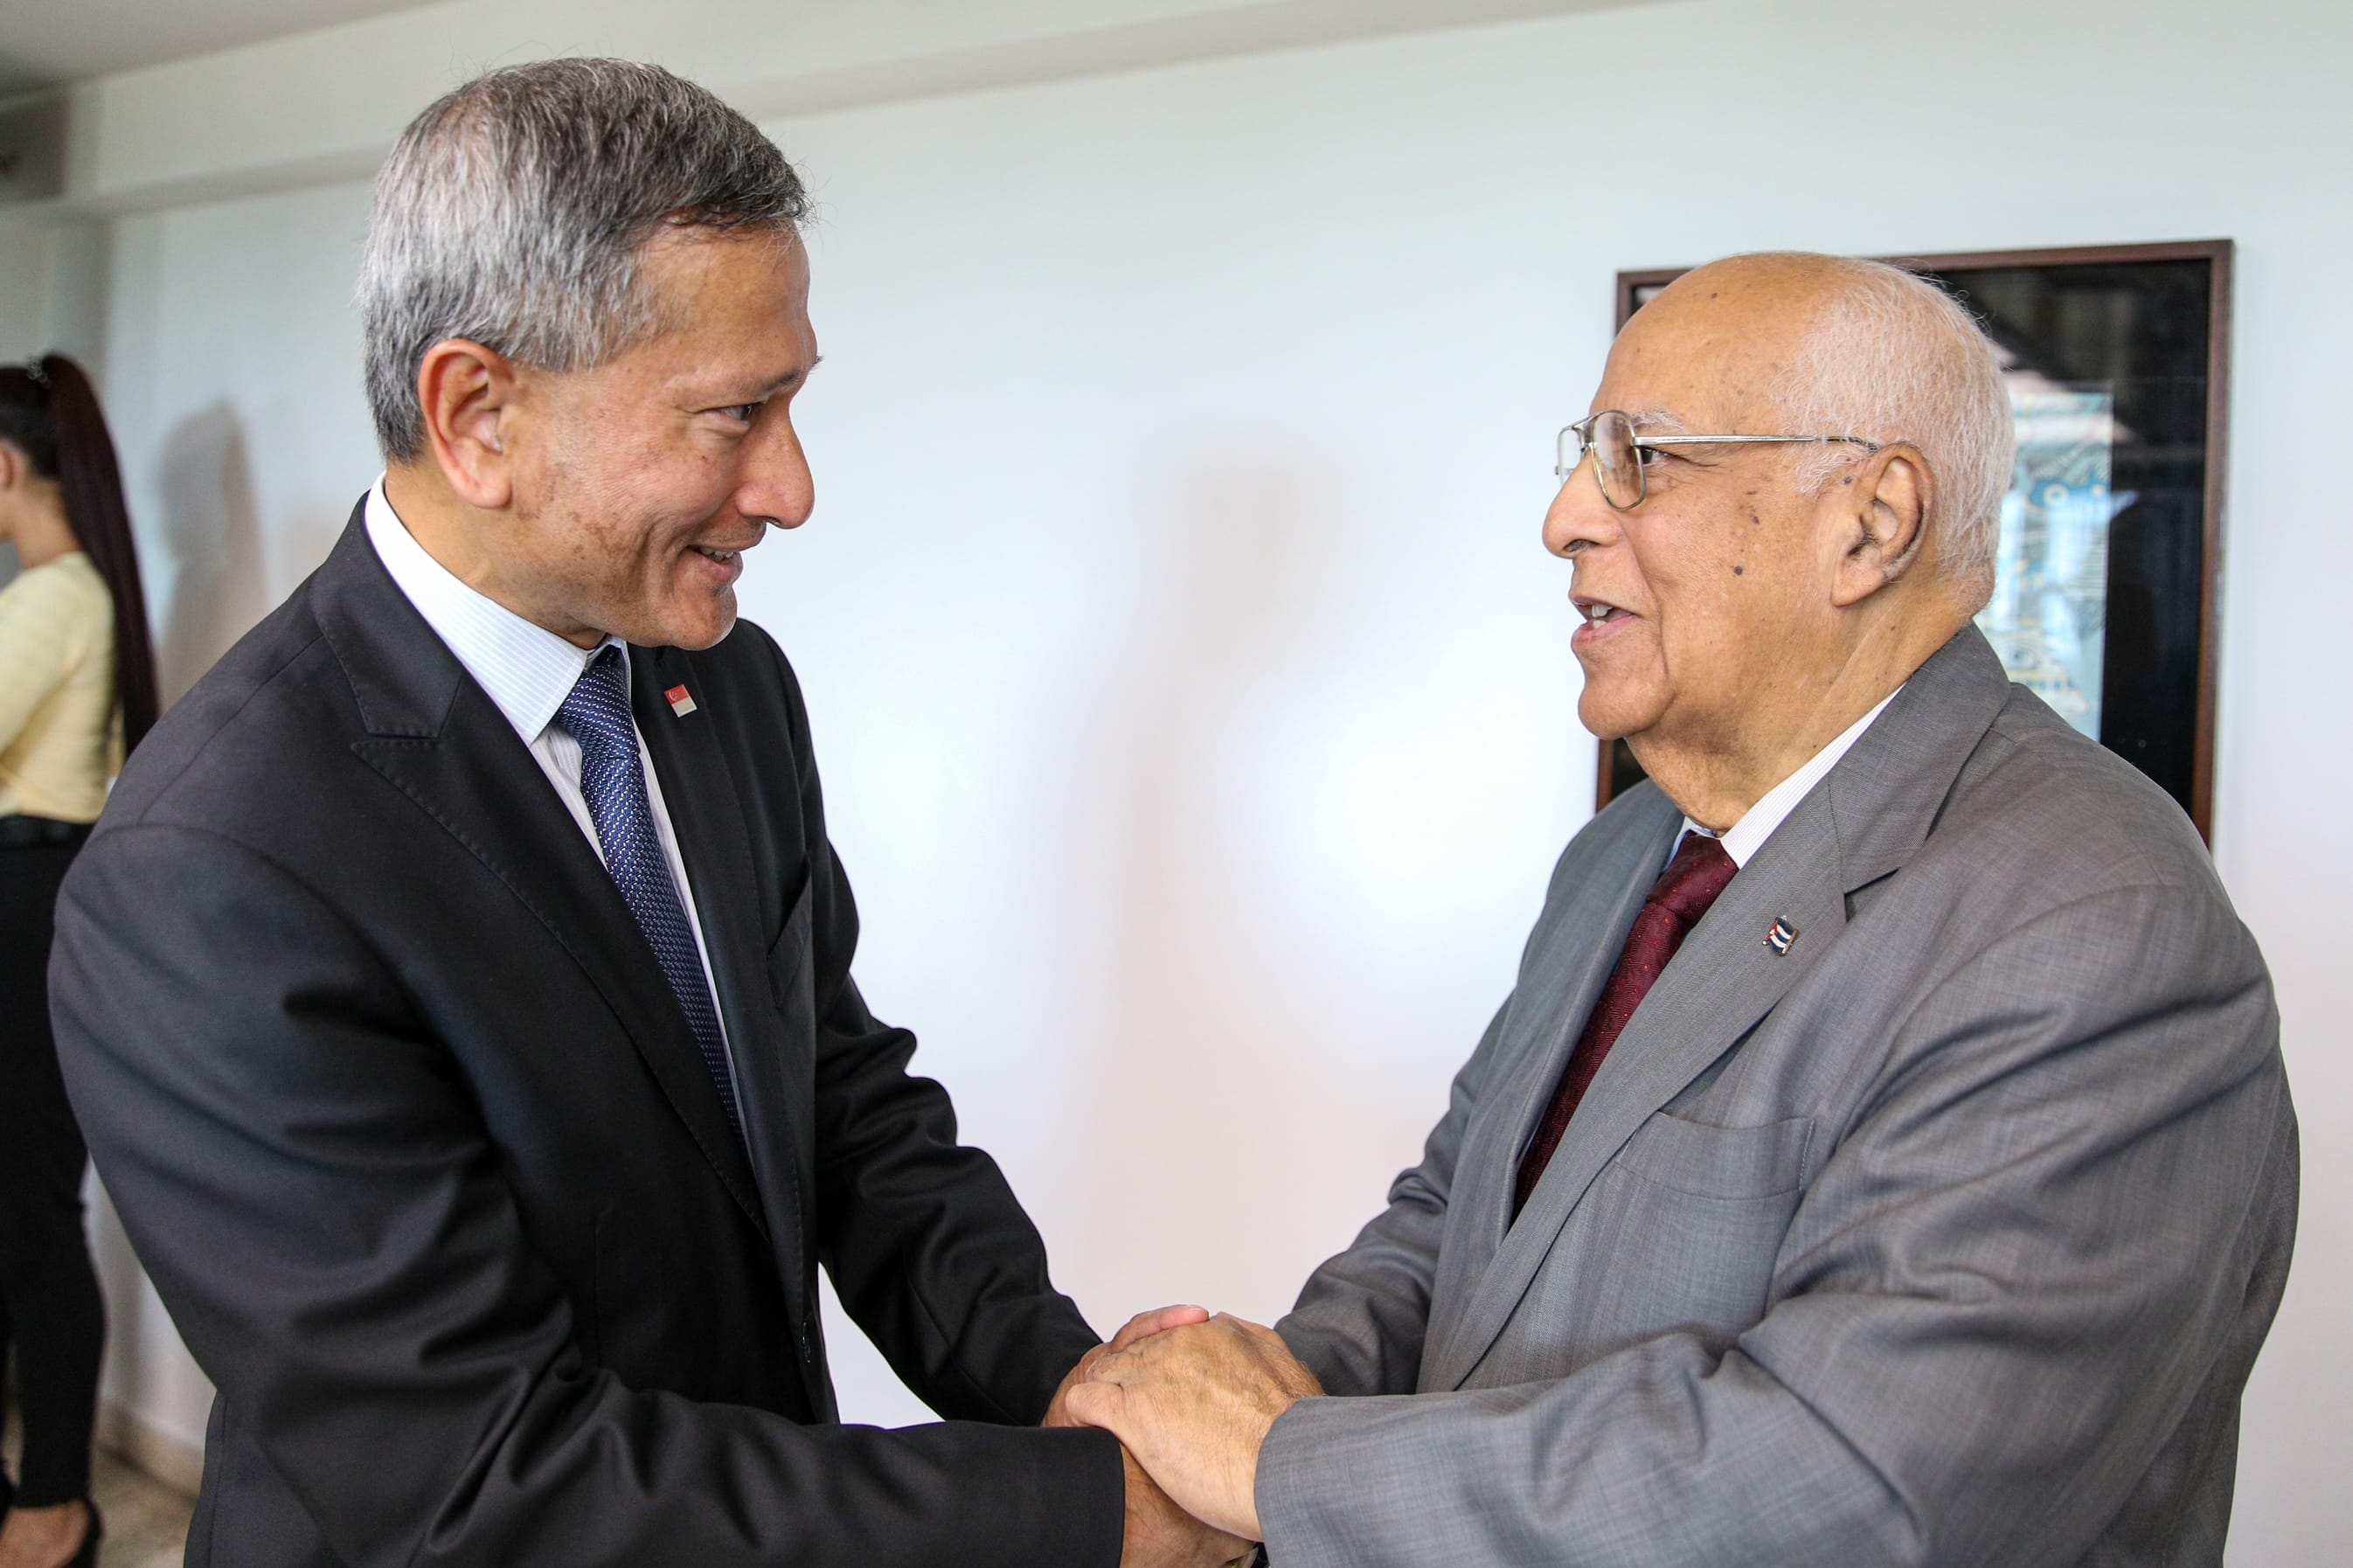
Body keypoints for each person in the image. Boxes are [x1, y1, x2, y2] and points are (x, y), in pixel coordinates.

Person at [48, 60, 1240, 1568]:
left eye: (792, 401)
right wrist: (1076, 1514)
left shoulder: (725, 688)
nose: (791, 487)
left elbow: (839, 1101)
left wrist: (1070, 1380)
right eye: (734, 414)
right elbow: (480, 1477)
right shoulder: (213, 866)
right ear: (478, 414)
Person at [1065, 253, 2299, 1566]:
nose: (1565, 517)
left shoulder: (2097, 928)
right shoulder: (1620, 856)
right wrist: (1238, 1390)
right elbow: (1453, 1231)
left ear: (1872, 524)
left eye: (1640, 459)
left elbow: (1845, 1489)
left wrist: (1276, 1461)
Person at [0, 353, 158, 1568]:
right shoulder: (73, 589)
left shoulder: (52, 596)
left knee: (30, 1218)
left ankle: (54, 1503)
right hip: (30, 894)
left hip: (23, 899)